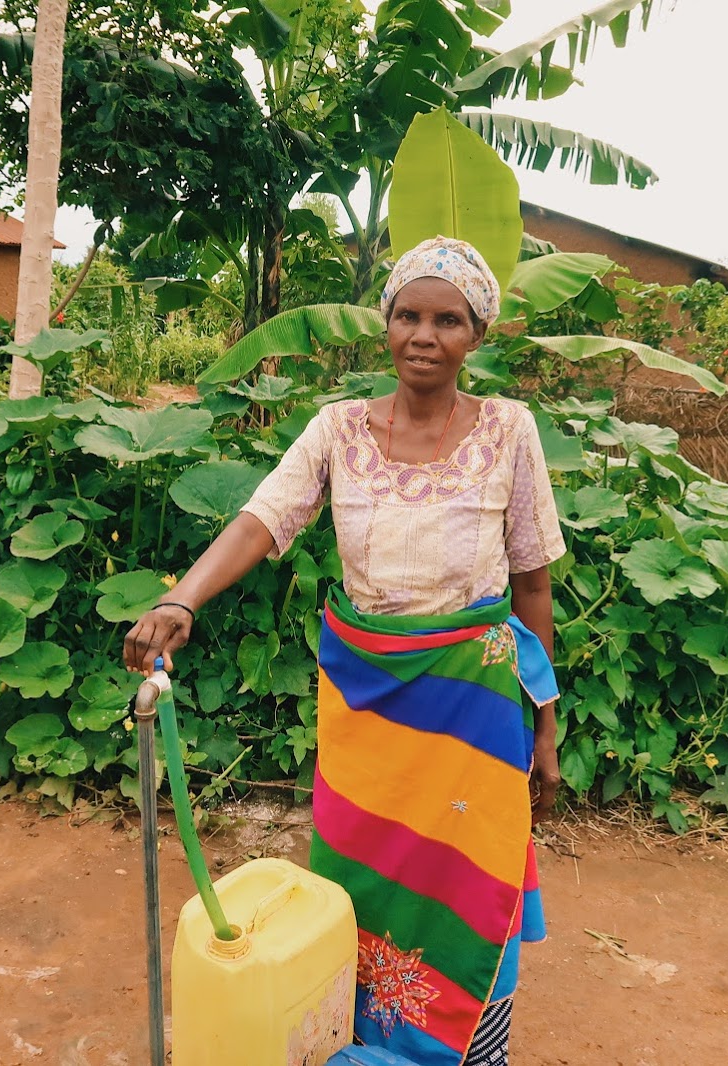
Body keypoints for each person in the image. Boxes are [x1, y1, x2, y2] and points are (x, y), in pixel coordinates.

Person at [124, 236, 565, 1066]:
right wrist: (182, 596)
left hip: (474, 704)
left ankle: (471, 1053)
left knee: (469, 879)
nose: (423, 335)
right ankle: (346, 1035)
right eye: (407, 314)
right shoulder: (338, 431)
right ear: (385, 324)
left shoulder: (510, 431)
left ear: (476, 334)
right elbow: (263, 518)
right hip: (367, 705)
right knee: (355, 884)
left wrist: (546, 724)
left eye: (447, 319)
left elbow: (534, 582)